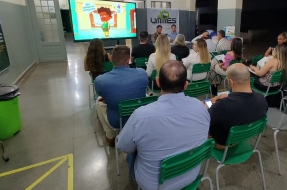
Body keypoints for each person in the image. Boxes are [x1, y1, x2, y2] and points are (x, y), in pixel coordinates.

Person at [116, 61, 210, 190]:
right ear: (186, 85)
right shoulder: (201, 107)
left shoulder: (141, 115)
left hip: (154, 185)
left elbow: (124, 147)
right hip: (191, 176)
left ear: (158, 82)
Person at [94, 46, 148, 147]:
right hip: (140, 117)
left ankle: (110, 135)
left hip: (117, 121)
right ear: (128, 60)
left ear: (111, 59)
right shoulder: (142, 73)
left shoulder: (101, 80)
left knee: (98, 102)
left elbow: (102, 94)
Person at [207, 63, 268, 148]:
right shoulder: (262, 99)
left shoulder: (223, 105)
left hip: (221, 144)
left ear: (231, 82)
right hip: (242, 139)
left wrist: (210, 102)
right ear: (249, 77)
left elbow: (204, 120)